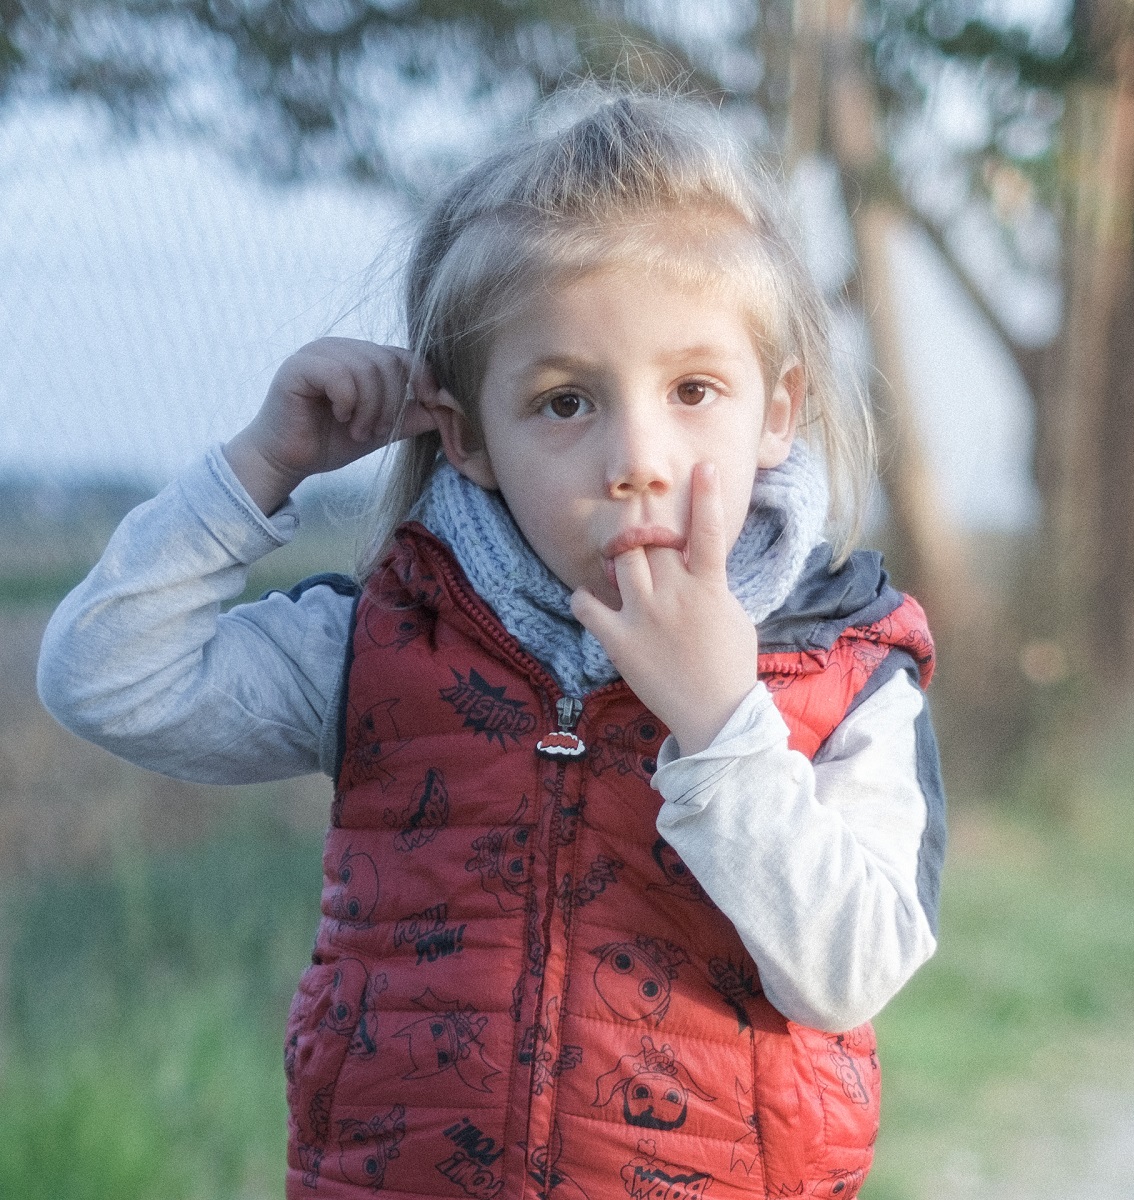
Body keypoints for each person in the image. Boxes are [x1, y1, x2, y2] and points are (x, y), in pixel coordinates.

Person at [37, 88, 945, 1199]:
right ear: (468, 438)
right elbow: (105, 675)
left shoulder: (841, 672)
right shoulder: (386, 645)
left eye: (694, 389)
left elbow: (846, 975)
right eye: (566, 402)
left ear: (777, 410)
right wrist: (261, 465)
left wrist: (721, 724)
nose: (638, 457)